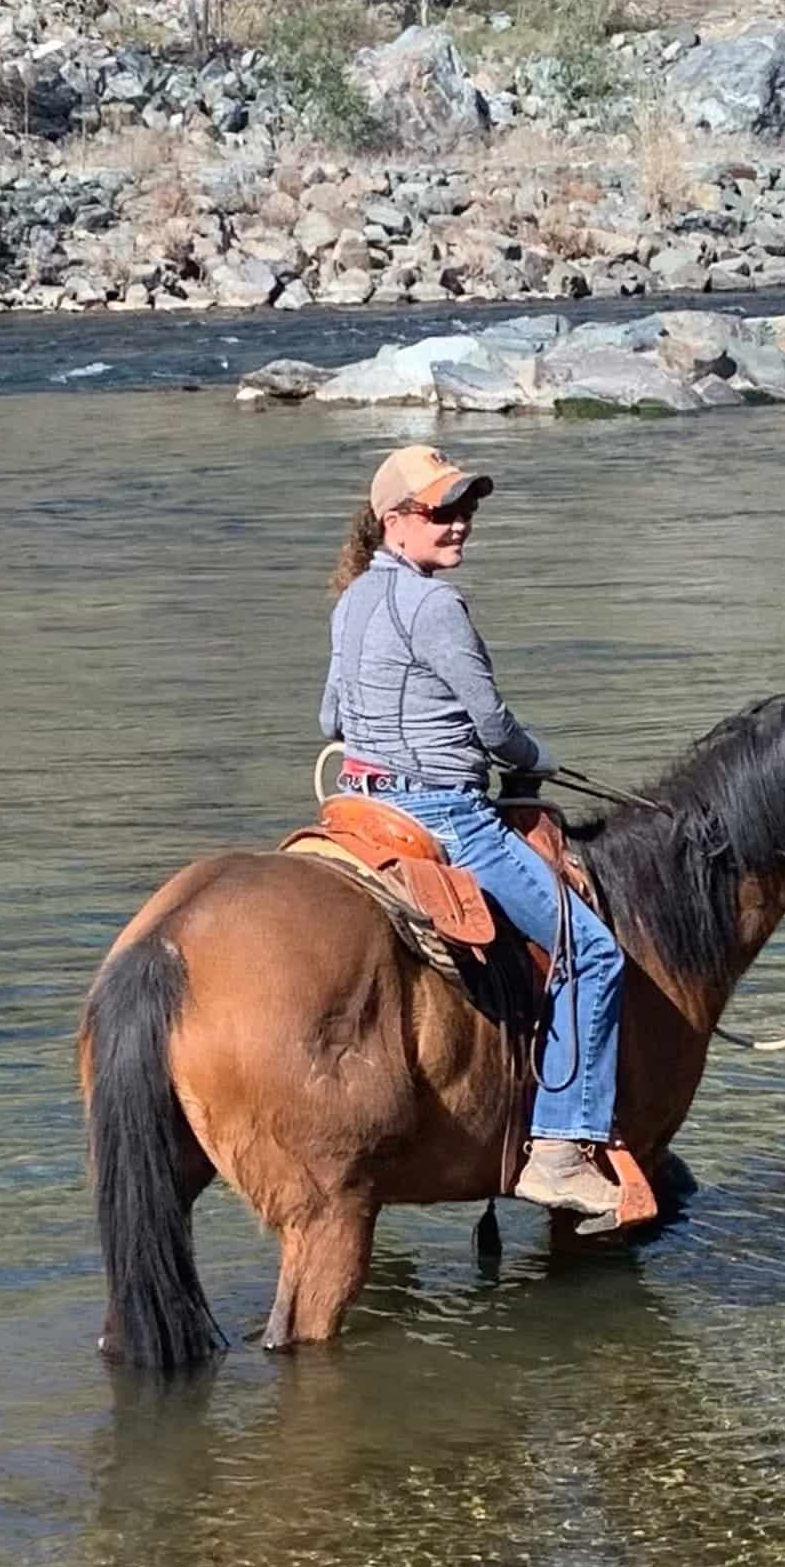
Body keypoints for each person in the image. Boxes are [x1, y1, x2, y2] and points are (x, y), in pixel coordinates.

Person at [319, 443, 624, 1221]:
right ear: (394, 521)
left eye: (465, 510)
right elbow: (489, 723)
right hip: (444, 816)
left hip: (359, 804)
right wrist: (536, 759)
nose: (458, 525)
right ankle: (558, 1148)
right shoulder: (437, 607)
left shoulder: (351, 600)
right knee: (592, 953)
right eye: (440, 512)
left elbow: (329, 719)